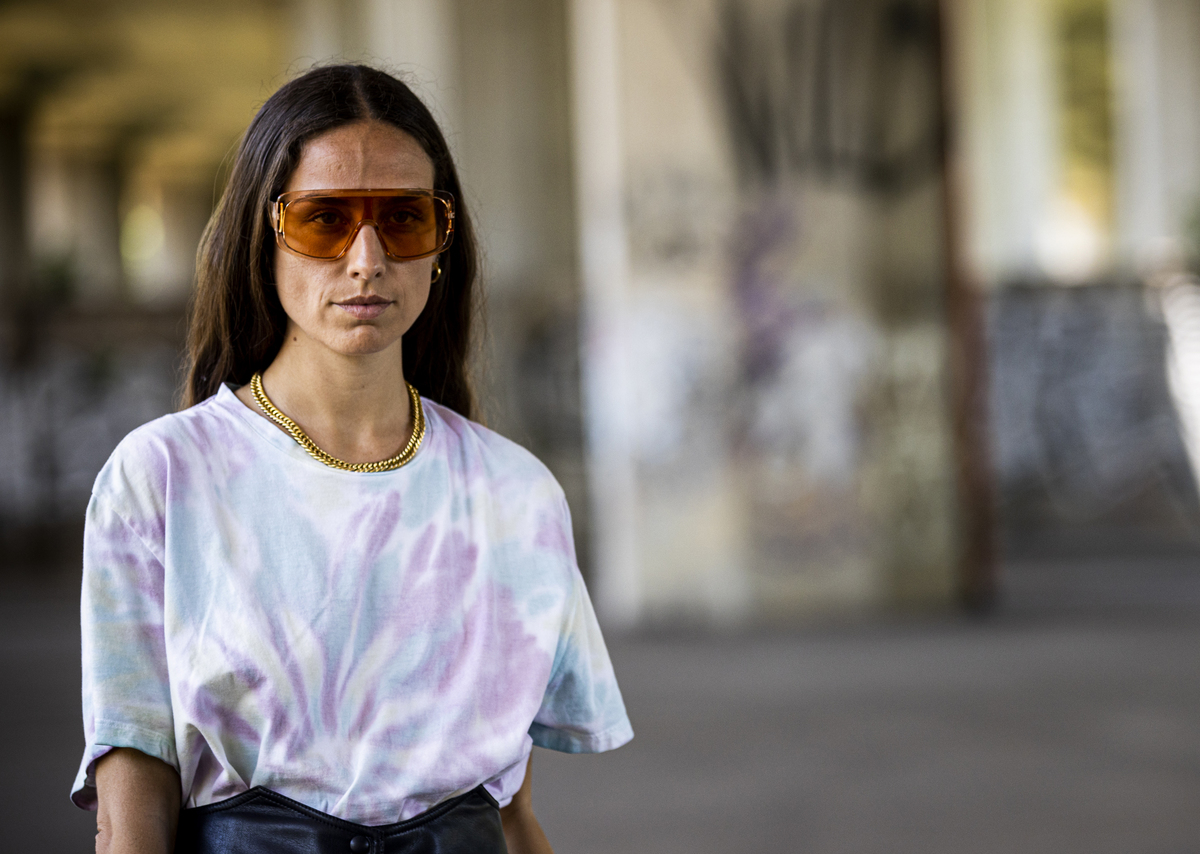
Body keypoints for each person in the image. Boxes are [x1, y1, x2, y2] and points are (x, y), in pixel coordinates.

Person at [72, 64, 633, 854]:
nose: (366, 259)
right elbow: (132, 786)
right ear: (261, 236)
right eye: (323, 220)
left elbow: (510, 809)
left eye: (403, 219)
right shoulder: (163, 477)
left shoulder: (515, 494)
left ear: (442, 241)